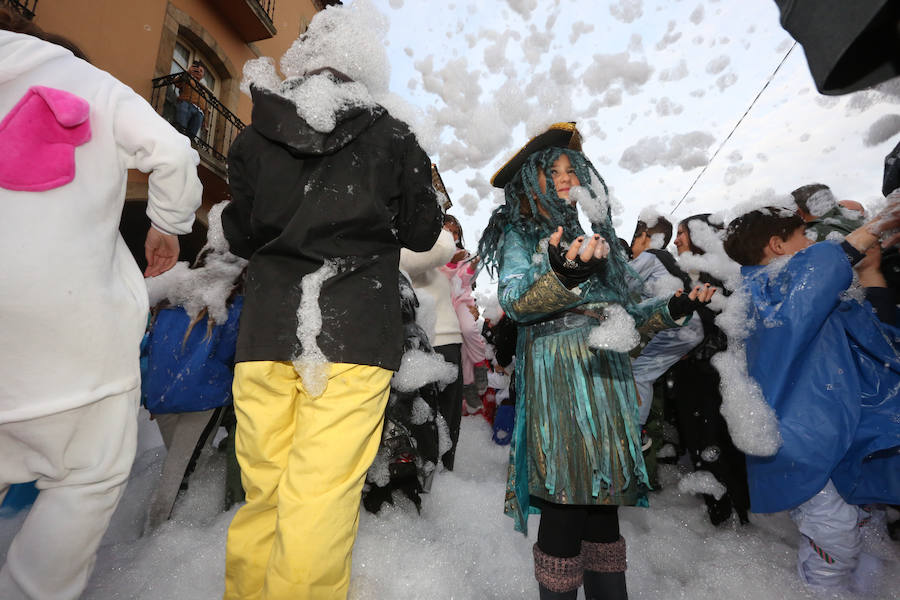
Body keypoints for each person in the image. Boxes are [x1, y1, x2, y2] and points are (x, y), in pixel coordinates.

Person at [219, 19, 443, 599]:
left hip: (268, 331)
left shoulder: (252, 138)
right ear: (363, 63)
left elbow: (240, 234)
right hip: (355, 335)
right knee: (318, 499)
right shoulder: (394, 136)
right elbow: (422, 232)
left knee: (265, 492)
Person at [0, 9, 202, 599]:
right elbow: (173, 152)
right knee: (86, 476)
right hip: (74, 341)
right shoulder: (92, 85)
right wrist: (167, 223)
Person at [477, 122, 715, 600]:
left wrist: (673, 308)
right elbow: (517, 301)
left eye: (573, 169)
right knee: (565, 511)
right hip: (558, 378)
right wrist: (563, 270)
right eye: (554, 170)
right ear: (532, 179)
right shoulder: (521, 238)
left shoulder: (595, 240)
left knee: (605, 514)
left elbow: (626, 325)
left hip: (606, 383)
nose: (566, 178)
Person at [722, 203, 900, 593]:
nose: (815, 242)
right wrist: (873, 227)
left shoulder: (799, 290)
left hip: (841, 429)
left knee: (861, 526)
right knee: (834, 533)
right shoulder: (762, 293)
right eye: (804, 236)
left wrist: (869, 270)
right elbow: (811, 282)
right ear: (778, 246)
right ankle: (822, 591)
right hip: (802, 436)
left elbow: (879, 333)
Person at [667, 214, 750, 526]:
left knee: (713, 444)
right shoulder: (696, 273)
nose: (677, 241)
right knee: (709, 446)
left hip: (709, 377)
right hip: (701, 376)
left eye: (683, 234)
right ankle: (729, 513)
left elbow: (719, 327)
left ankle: (729, 516)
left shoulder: (718, 276)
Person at [400, 227, 465, 469]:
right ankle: (432, 484)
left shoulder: (432, 263)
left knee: (449, 423)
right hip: (431, 348)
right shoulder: (404, 254)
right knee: (432, 425)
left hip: (449, 344)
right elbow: (444, 248)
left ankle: (445, 481)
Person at [440, 214, 490, 413]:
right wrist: (451, 263)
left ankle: (480, 365)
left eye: (455, 232)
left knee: (469, 330)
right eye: (447, 230)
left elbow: (464, 281)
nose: (452, 235)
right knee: (460, 347)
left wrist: (472, 266)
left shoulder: (463, 253)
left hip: (462, 302)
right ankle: (468, 385)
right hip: (443, 307)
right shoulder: (432, 253)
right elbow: (440, 279)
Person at [174, 60, 207, 140]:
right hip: (186, 105)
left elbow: (206, 105)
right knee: (181, 130)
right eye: (197, 69)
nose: (198, 72)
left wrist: (205, 120)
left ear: (203, 75)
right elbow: (176, 82)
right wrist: (188, 72)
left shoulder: (203, 89)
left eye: (201, 71)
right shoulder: (187, 78)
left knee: (190, 137)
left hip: (199, 112)